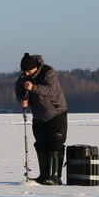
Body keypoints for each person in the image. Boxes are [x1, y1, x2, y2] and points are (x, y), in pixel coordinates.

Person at [15, 53, 68, 185]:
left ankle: (55, 177)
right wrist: (22, 100)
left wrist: (33, 87)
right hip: (38, 117)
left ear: (34, 67)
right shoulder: (23, 78)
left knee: (55, 143)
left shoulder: (48, 72)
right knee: (40, 145)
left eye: (28, 71)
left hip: (56, 114)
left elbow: (50, 90)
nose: (26, 74)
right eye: (24, 72)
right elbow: (18, 90)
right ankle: (43, 175)